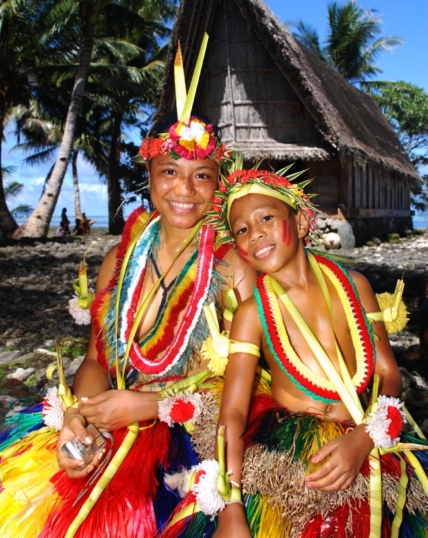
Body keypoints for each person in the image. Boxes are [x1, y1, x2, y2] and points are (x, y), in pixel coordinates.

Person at [0, 37, 257, 538]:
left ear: (217, 183)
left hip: (193, 437)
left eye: (201, 175)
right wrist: (80, 419)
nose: (184, 189)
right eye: (170, 172)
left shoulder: (234, 270)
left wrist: (153, 405)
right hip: (111, 417)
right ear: (150, 177)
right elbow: (97, 359)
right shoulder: (120, 261)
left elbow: (253, 388)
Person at [163, 167, 428, 537]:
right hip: (292, 458)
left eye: (266, 218)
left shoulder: (355, 286)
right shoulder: (251, 314)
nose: (254, 233)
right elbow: (234, 412)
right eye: (240, 229)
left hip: (362, 437)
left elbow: (388, 374)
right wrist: (231, 505)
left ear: (301, 221)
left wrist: (364, 437)